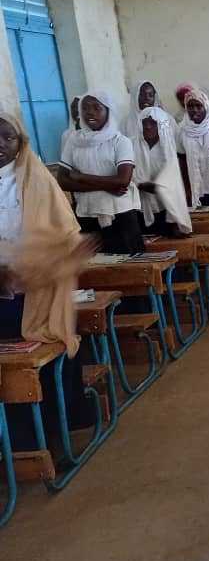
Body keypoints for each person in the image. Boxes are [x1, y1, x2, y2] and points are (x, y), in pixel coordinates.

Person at [0, 111, 94, 451]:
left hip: (36, 287)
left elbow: (64, 232)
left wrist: (36, 264)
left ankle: (54, 439)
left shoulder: (37, 178)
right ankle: (18, 445)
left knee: (42, 363)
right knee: (9, 371)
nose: (0, 145)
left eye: (7, 138)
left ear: (20, 141)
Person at [57, 91, 145, 254]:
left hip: (119, 214)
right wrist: (105, 186)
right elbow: (62, 181)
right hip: (87, 213)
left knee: (129, 267)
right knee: (95, 271)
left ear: (108, 112)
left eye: (97, 108)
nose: (90, 112)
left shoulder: (120, 141)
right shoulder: (74, 140)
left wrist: (80, 177)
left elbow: (123, 180)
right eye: (85, 108)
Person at [129, 106, 192, 237]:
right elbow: (128, 177)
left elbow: (171, 187)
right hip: (137, 209)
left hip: (163, 210)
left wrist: (145, 185)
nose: (147, 127)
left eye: (153, 123)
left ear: (161, 125)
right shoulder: (131, 145)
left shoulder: (167, 150)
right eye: (144, 123)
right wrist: (145, 185)